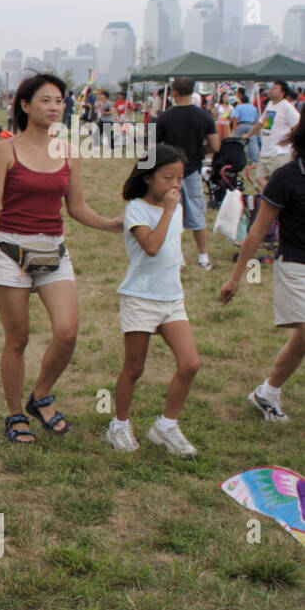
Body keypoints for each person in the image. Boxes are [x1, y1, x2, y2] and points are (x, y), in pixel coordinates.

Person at [0, 73, 123, 444]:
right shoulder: (6, 150)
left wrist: (112, 225)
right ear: (25, 106)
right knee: (18, 338)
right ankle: (14, 413)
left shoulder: (68, 152)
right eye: (45, 100)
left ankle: (41, 394)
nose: (55, 107)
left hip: (53, 250)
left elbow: (77, 207)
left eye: (59, 100)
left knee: (67, 331)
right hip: (10, 252)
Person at [107, 145, 200, 456]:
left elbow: (172, 247)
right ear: (147, 178)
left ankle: (166, 425)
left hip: (171, 298)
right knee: (134, 368)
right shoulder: (136, 208)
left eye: (180, 178)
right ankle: (119, 425)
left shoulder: (176, 206)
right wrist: (169, 212)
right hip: (140, 298)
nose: (175, 185)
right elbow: (151, 247)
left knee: (190, 364)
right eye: (168, 177)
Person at [220, 120, 305, 424]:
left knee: (301, 341)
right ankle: (267, 393)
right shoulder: (286, 177)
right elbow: (257, 231)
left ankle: (266, 394)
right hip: (295, 263)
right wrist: (235, 277)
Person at [155, 76, 219, 270]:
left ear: (174, 93)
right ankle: (203, 257)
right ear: (193, 92)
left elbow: (155, 147)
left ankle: (178, 256)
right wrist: (200, 151)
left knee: (172, 214)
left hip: (169, 173)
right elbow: (215, 145)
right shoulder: (204, 116)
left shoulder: (165, 117)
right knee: (197, 216)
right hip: (192, 172)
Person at [242, 80, 301, 190]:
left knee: (279, 181)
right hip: (266, 151)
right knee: (259, 177)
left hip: (279, 153)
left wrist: (290, 140)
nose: (271, 90)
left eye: (275, 88)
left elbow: (298, 126)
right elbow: (260, 123)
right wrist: (249, 134)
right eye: (271, 88)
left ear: (283, 93)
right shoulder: (270, 105)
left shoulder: (286, 107)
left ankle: (277, 200)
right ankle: (271, 196)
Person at [232, 88, 260, 166]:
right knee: (251, 143)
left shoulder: (238, 107)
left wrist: (234, 128)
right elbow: (256, 119)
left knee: (239, 143)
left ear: (241, 100)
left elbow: (235, 117)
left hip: (241, 125)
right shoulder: (253, 108)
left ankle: (237, 158)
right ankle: (253, 160)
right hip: (251, 125)